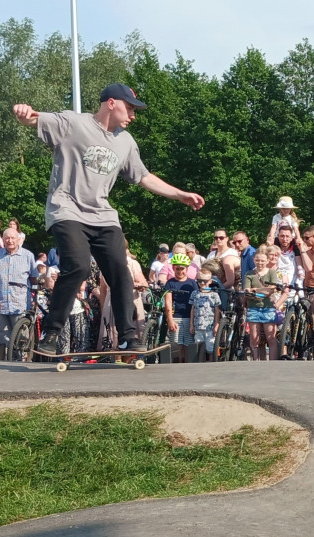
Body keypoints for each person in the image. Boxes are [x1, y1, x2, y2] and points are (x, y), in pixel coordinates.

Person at [12, 83, 205, 354]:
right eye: (130, 108)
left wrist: (180, 194)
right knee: (77, 266)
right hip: (67, 209)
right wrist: (24, 113)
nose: (133, 116)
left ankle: (127, 336)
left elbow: (144, 177)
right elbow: (34, 117)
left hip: (102, 216)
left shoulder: (126, 142)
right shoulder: (73, 123)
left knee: (120, 271)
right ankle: (51, 334)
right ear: (111, 103)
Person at [0, 229, 37, 351]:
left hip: (19, 303)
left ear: (18, 239)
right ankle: (6, 361)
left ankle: (21, 360)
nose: (10, 241)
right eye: (7, 238)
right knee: (3, 337)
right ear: (3, 240)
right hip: (1, 303)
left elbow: (33, 278)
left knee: (21, 337)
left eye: (13, 238)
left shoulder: (28, 256)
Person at [97, 241, 147, 352]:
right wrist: (103, 309)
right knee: (112, 336)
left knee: (130, 335)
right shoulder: (105, 265)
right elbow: (103, 290)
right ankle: (115, 360)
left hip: (130, 299)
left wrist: (134, 285)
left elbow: (144, 283)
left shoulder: (132, 263)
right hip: (110, 302)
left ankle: (130, 358)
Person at [243, 250, 280, 361]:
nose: (260, 263)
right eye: (257, 260)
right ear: (254, 260)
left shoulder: (271, 272)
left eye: (263, 260)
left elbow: (272, 289)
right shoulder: (249, 274)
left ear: (267, 260)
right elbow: (247, 290)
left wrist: (255, 290)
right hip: (253, 307)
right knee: (254, 337)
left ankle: (273, 361)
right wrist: (261, 291)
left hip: (268, 307)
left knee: (271, 337)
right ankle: (256, 360)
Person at [164, 253, 199, 362]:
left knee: (188, 344)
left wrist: (193, 322)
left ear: (187, 268)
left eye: (182, 269)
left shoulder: (192, 283)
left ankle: (188, 365)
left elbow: (195, 303)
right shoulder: (170, 283)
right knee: (177, 344)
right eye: (177, 269)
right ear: (173, 268)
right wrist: (170, 319)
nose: (180, 271)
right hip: (176, 317)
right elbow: (168, 302)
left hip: (189, 317)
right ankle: (177, 364)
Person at [189, 269, 222, 362]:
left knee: (211, 349)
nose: (202, 283)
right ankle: (200, 365)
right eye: (199, 281)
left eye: (205, 281)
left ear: (210, 281)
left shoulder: (214, 295)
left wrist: (216, 324)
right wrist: (191, 325)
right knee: (199, 349)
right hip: (198, 326)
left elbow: (217, 310)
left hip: (210, 327)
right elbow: (193, 309)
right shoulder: (195, 293)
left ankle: (211, 365)